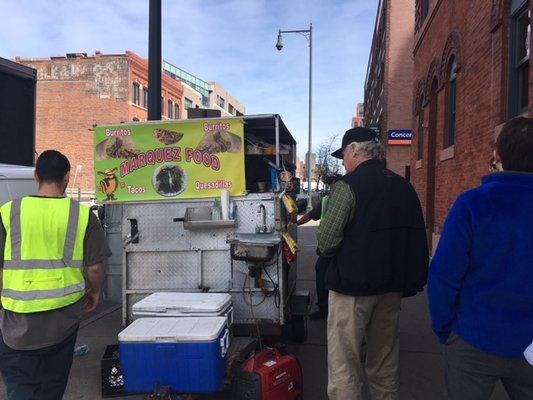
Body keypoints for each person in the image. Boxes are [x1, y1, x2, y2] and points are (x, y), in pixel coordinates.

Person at [318, 127, 429, 400]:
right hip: (391, 288)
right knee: (384, 361)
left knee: (345, 363)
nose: (343, 161)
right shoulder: (404, 186)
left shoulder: (347, 186)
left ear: (354, 150)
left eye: (343, 155)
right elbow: (416, 238)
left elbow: (326, 242)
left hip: (351, 290)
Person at [428, 117, 533, 400]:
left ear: (497, 155)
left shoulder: (472, 204)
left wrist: (445, 330)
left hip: (473, 337)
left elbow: (444, 275)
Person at [0, 150, 111, 400]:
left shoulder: (8, 212)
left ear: (36, 175)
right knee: (52, 386)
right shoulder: (82, 215)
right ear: (67, 178)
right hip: (62, 319)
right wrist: (94, 293)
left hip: (16, 322)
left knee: (20, 387)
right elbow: (95, 267)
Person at [297, 174, 342, 320]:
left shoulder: (345, 198)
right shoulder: (326, 200)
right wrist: (294, 223)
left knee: (330, 277)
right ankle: (324, 308)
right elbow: (310, 215)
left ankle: (332, 310)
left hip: (340, 249)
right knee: (322, 274)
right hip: (330, 248)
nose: (331, 188)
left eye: (332, 184)